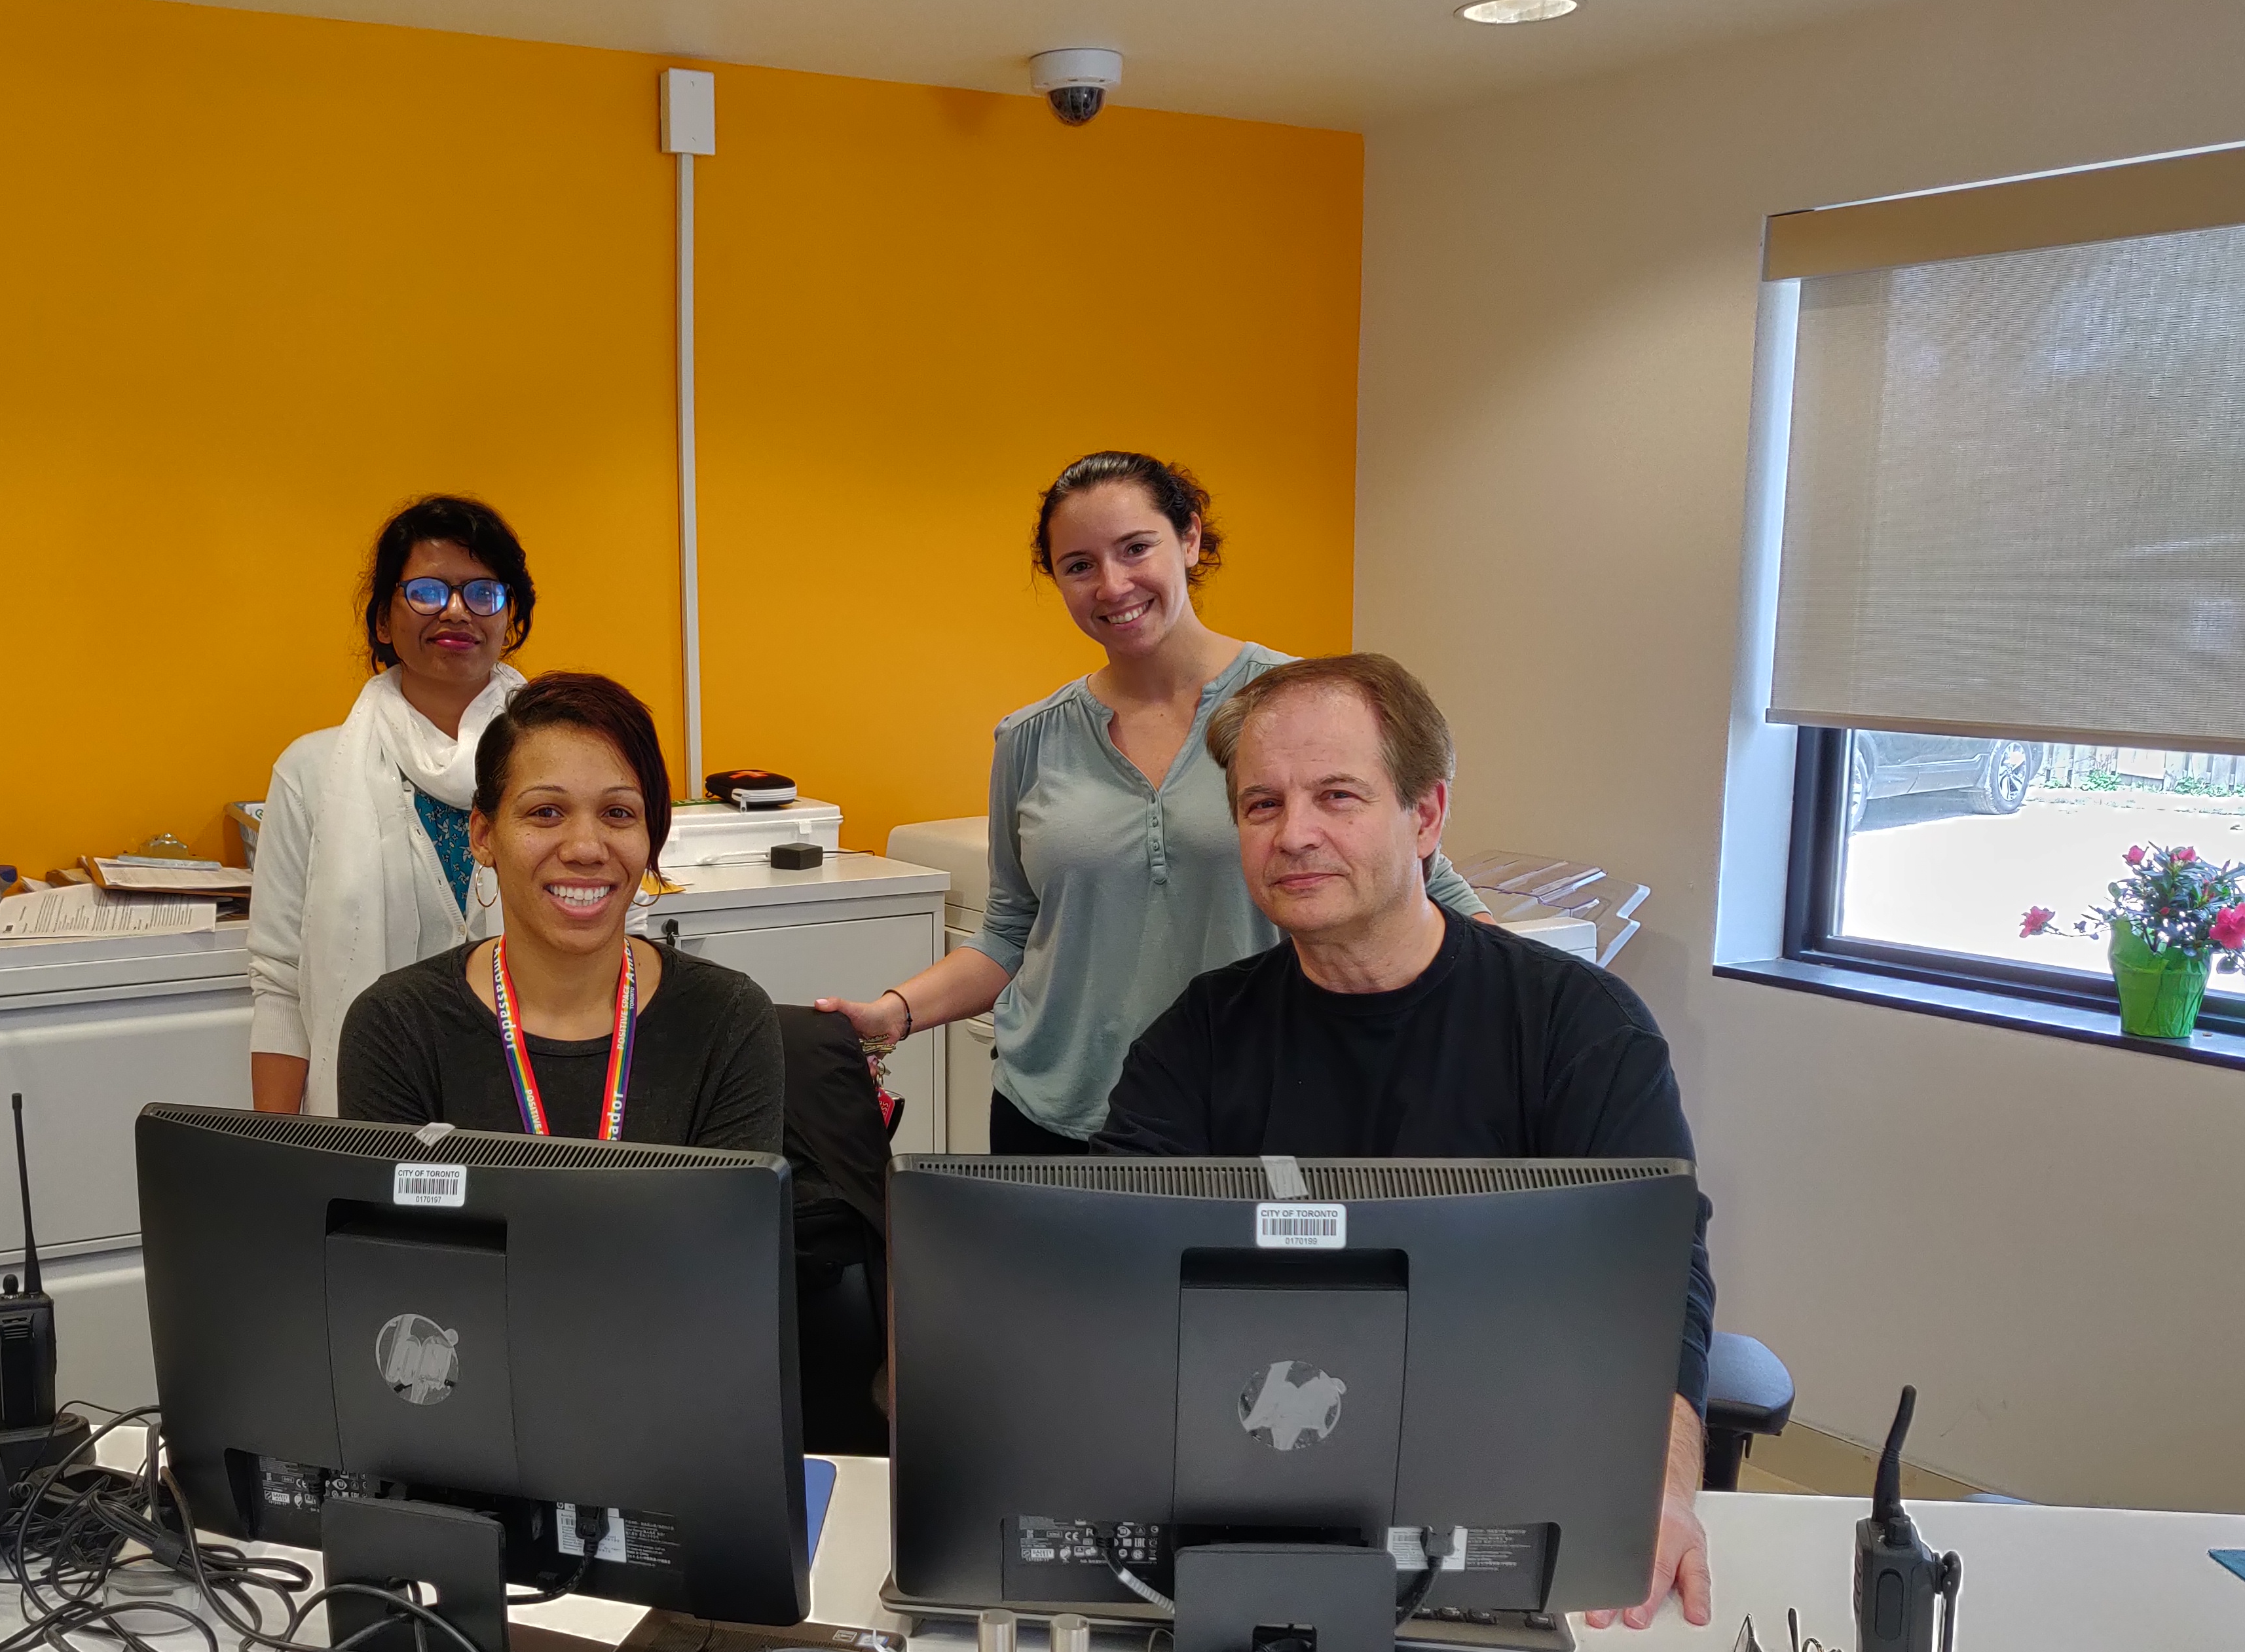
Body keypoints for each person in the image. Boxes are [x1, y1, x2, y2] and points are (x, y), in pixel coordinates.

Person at [1095, 652, 1717, 1632]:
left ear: (1426, 817)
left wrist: (1664, 1484)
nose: (1294, 835)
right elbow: (1110, 1271)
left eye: (1337, 796)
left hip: (1508, 1482)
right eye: (1262, 806)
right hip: (1251, 1471)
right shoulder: (1198, 1038)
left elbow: (1658, 1277)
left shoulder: (1579, 1028)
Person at [821, 452, 1486, 1152]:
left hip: (1253, 1111)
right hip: (1057, 1110)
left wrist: (1541, 1005)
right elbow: (1011, 930)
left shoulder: (1305, 708)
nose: (1112, 585)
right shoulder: (1030, 738)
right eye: (1079, 566)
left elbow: (1429, 881)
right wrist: (894, 1013)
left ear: (1191, 539)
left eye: (1136, 549)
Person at [339, 672, 783, 1151]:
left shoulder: (729, 1020)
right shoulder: (398, 1027)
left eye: (618, 813)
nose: (586, 849)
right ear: (484, 836)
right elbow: (394, 1228)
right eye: (546, 812)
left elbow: (733, 1225)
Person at [248, 495, 536, 1116]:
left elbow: (620, 943)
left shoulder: (559, 761)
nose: (456, 610)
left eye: (484, 593)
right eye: (428, 591)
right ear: (383, 621)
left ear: (509, 619)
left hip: (534, 1101)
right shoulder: (312, 772)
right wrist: (279, 1155)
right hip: (372, 1100)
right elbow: (281, 981)